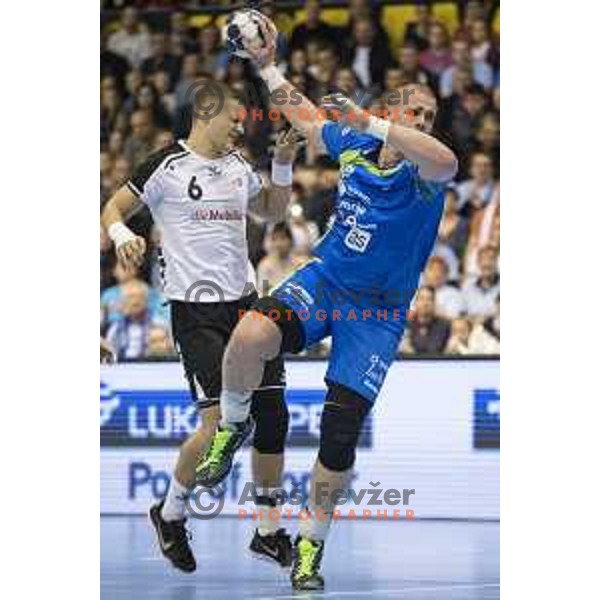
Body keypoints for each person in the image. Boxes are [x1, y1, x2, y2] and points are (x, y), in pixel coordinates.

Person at [195, 15, 457, 592]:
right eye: (415, 112)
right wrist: (265, 64)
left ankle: (310, 548)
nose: (424, 123)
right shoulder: (357, 142)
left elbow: (446, 160)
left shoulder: (426, 175)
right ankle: (232, 426)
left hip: (379, 313)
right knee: (250, 337)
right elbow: (308, 120)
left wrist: (373, 120)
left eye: (430, 118)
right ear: (393, 110)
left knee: (339, 436)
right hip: (328, 279)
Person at [101, 79, 304, 573]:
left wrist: (281, 162)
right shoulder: (165, 165)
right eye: (234, 118)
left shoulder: (238, 167)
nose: (241, 126)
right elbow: (111, 210)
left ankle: (269, 531)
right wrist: (121, 231)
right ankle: (170, 514)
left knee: (273, 417)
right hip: (196, 313)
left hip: (248, 305)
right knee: (220, 425)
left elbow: (273, 210)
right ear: (206, 114)